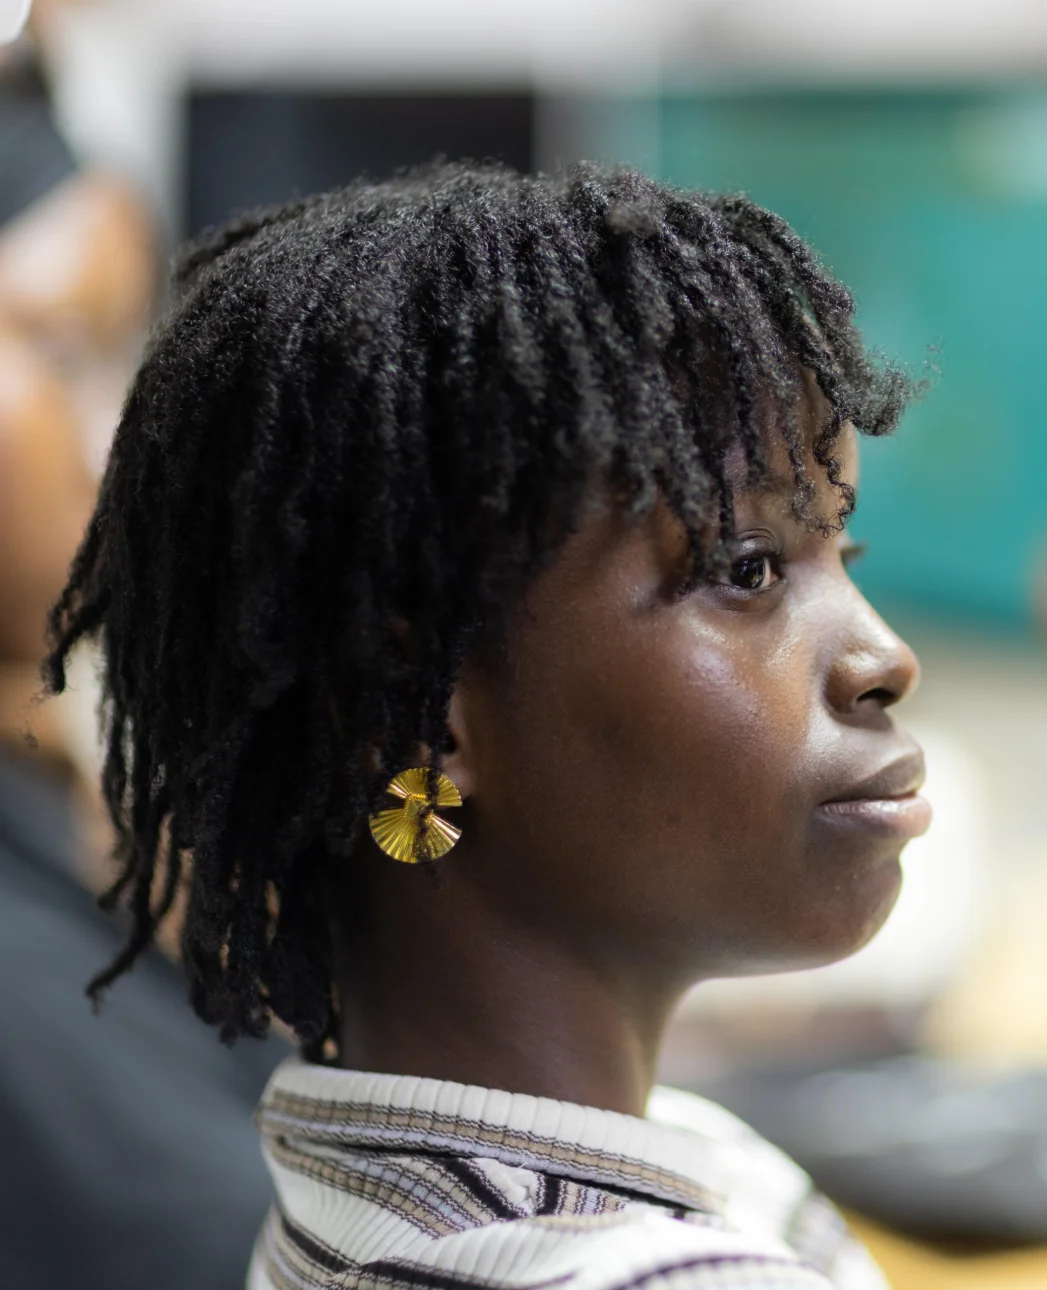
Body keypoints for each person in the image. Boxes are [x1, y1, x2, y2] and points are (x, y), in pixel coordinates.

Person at [45, 162, 931, 1290]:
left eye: (838, 559)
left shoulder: (371, 1203)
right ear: (415, 721)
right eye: (746, 569)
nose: (881, 658)